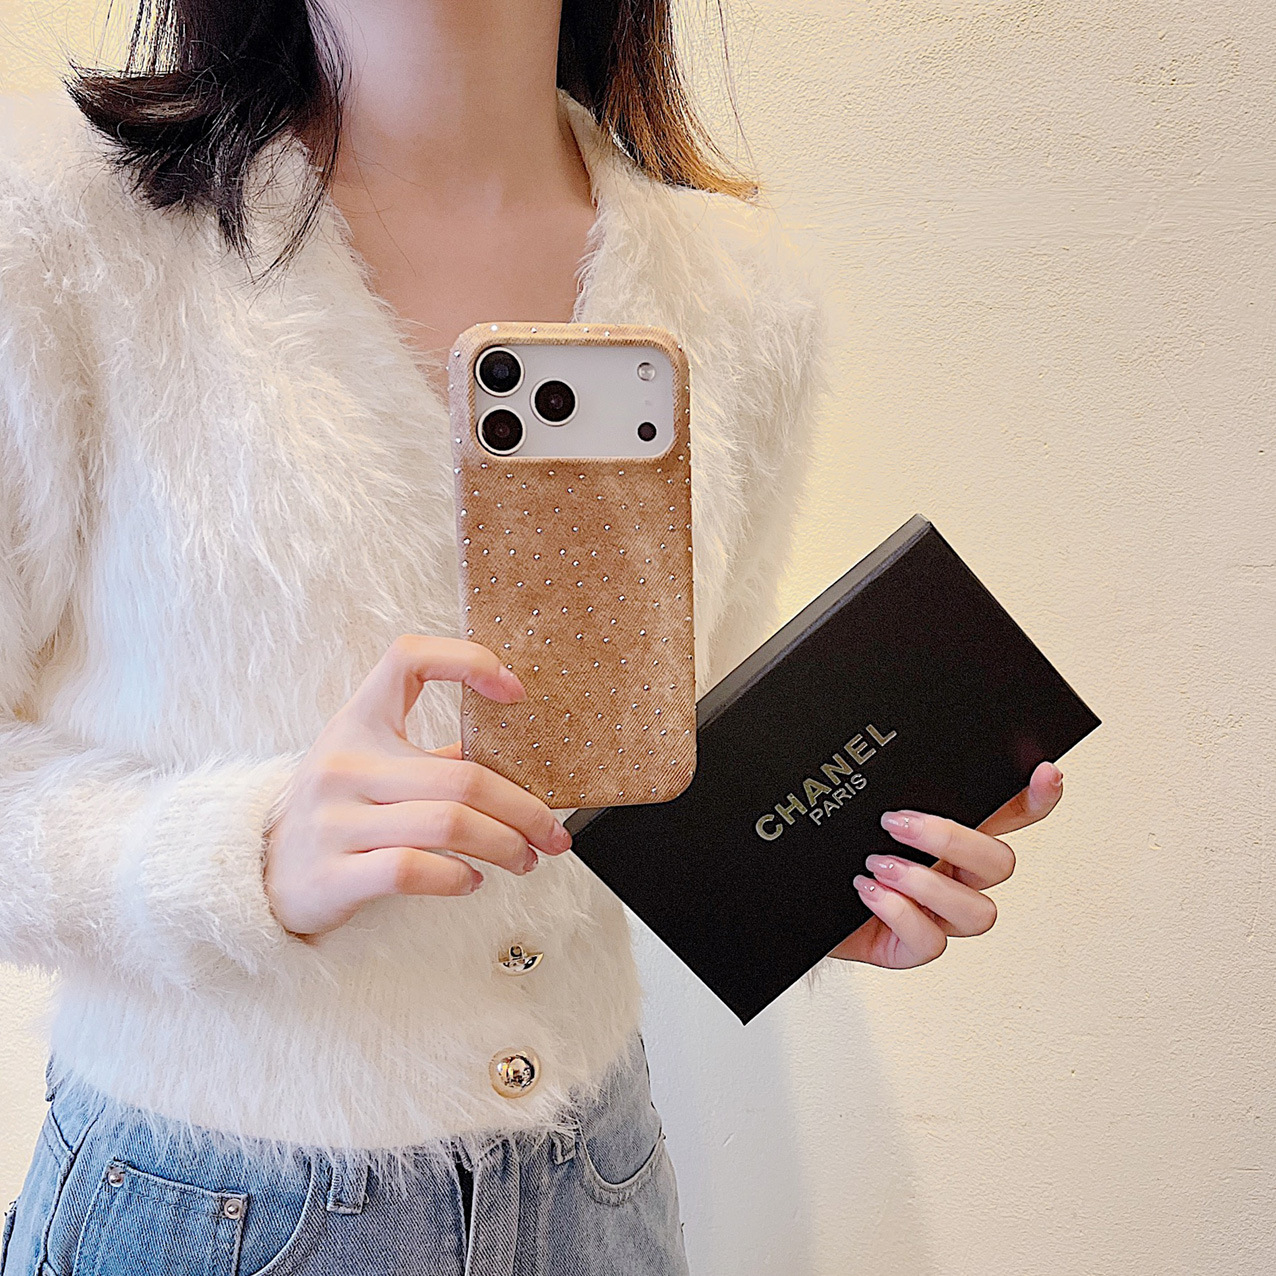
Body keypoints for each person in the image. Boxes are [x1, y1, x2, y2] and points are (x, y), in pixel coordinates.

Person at [0, 2, 1065, 1272]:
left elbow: (662, 763)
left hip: (595, 1191)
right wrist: (240, 854)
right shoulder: (58, 230)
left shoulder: (740, 291)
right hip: (206, 1204)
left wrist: (800, 884)